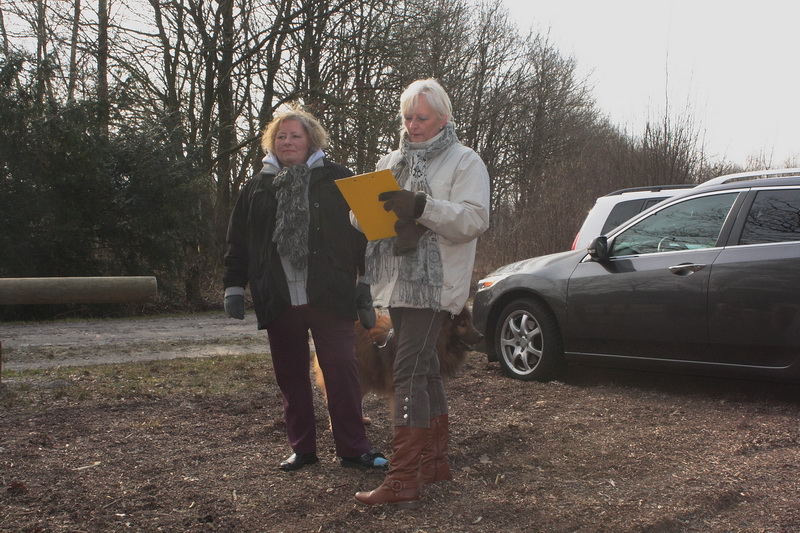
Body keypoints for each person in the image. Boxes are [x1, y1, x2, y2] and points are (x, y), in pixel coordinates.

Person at [223, 105, 387, 472]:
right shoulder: (256, 187)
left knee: (342, 372)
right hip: (278, 298)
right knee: (291, 378)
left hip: (330, 295)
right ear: (272, 143)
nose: (287, 142)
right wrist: (233, 285)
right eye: (281, 136)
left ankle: (354, 448)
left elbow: (367, 236)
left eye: (295, 135)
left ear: (310, 140)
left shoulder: (339, 179)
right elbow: (239, 242)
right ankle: (303, 449)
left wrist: (365, 283)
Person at [353, 79, 490, 508]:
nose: (412, 125)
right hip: (395, 280)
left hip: (436, 283)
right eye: (407, 117)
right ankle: (433, 463)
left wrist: (421, 206)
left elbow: (474, 220)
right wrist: (362, 210)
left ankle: (403, 479)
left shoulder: (464, 161)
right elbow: (365, 221)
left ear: (444, 118)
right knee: (425, 369)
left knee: (408, 371)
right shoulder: (391, 161)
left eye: (422, 118)